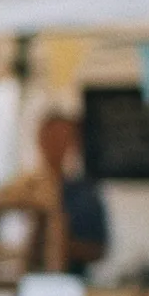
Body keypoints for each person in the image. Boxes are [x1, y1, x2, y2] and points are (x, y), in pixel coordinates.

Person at [32, 113, 108, 274]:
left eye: (64, 138)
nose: (57, 145)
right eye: (52, 137)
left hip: (71, 283)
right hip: (28, 282)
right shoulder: (25, 187)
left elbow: (99, 248)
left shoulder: (86, 193)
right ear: (40, 139)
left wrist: (61, 245)